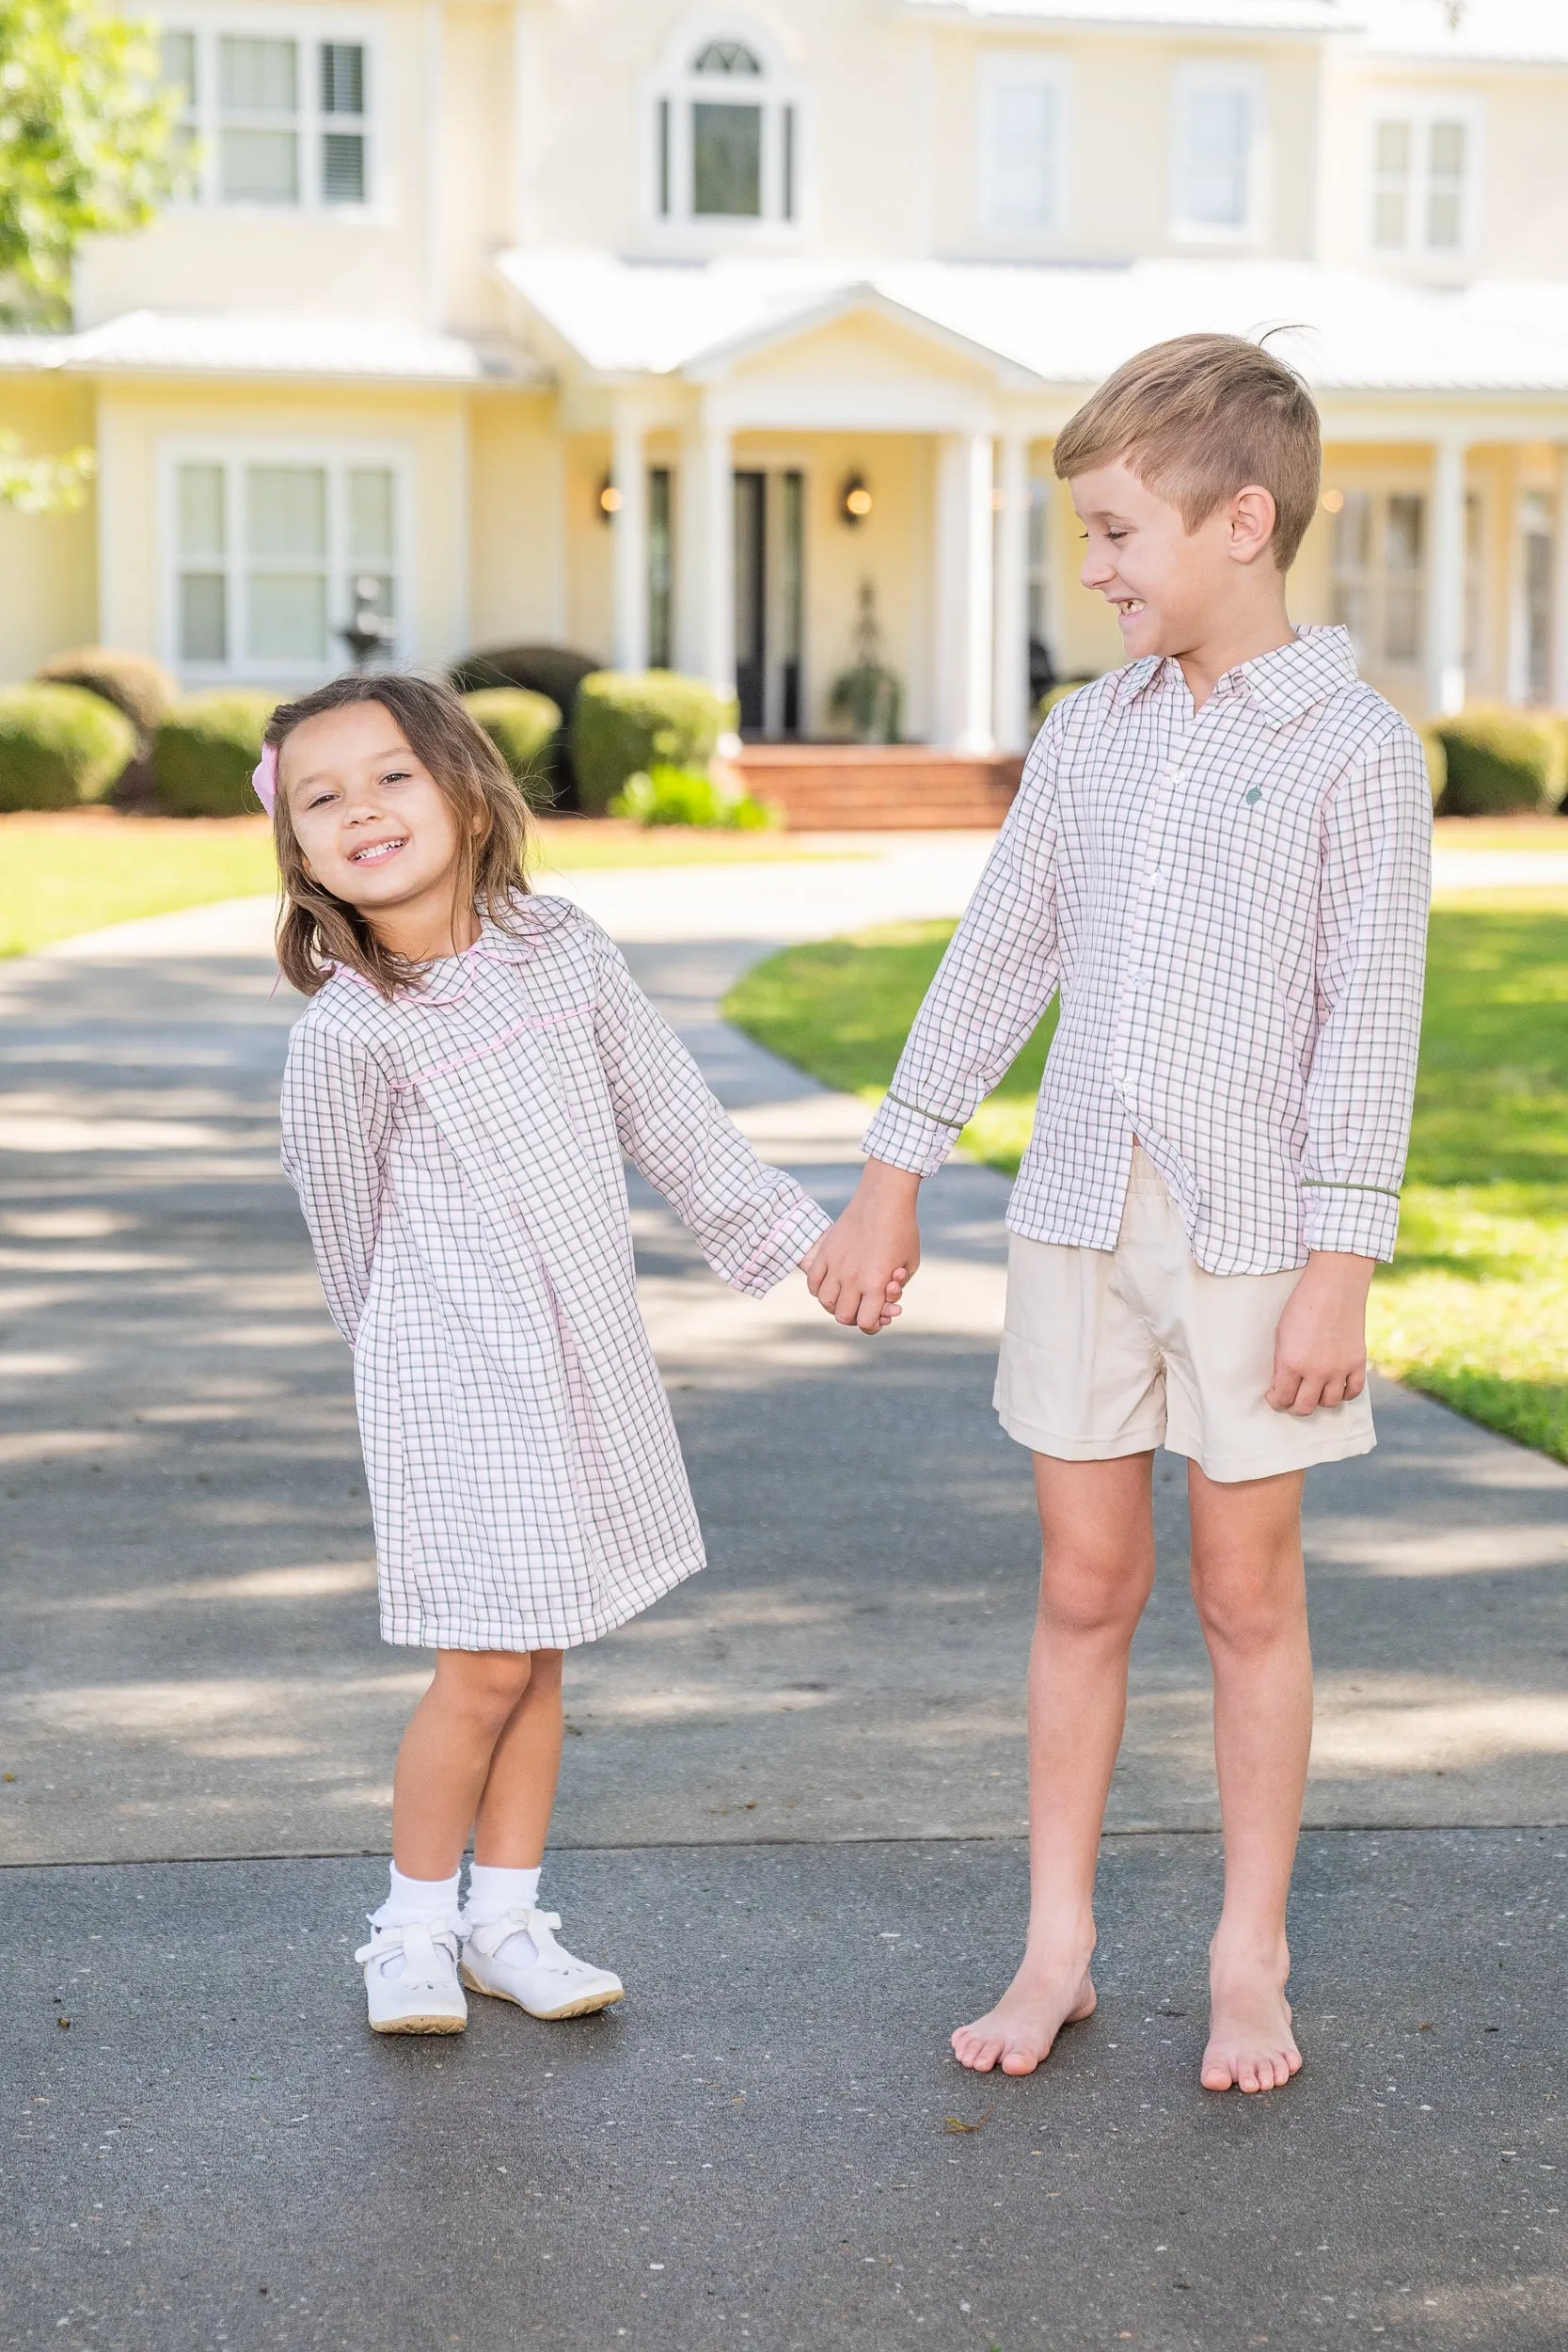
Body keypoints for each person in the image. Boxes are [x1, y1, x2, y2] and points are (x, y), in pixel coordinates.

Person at [805, 334, 1431, 2094]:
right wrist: (893, 1164)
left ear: (1241, 521)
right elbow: (1000, 952)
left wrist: (1338, 1264)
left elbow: (1366, 1025)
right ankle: (1058, 1942)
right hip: (1079, 1213)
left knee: (1244, 1593)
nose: (1089, 571)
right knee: (1083, 1583)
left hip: (1254, 1242)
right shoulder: (1090, 733)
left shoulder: (1356, 754)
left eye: (1111, 534)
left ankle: (1249, 1956)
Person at [264, 673, 890, 2035]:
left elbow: (671, 1119)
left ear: (465, 792)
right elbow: (347, 1244)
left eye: (391, 778)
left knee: (543, 1650)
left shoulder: (564, 951)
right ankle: (410, 1927)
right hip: (446, 1375)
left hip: (572, 1362)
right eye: (323, 799)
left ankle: (506, 1918)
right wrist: (404, 1382)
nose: (362, 811)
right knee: (481, 1665)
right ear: (300, 854)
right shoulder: (348, 1035)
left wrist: (808, 1242)